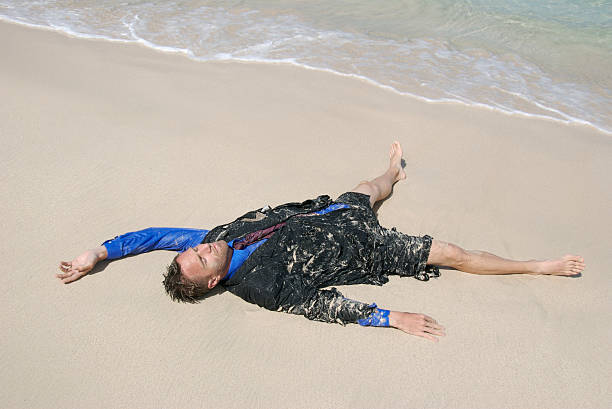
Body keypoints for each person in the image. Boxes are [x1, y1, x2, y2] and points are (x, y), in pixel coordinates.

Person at [57, 142, 585, 342]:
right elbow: (324, 306)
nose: (201, 247)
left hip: (330, 213)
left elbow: (152, 236)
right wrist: (391, 317)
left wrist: (99, 252)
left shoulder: (216, 238)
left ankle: (392, 170)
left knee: (368, 189)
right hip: (367, 251)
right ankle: (536, 266)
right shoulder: (261, 286)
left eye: (193, 249)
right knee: (451, 254)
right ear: (214, 280)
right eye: (200, 258)